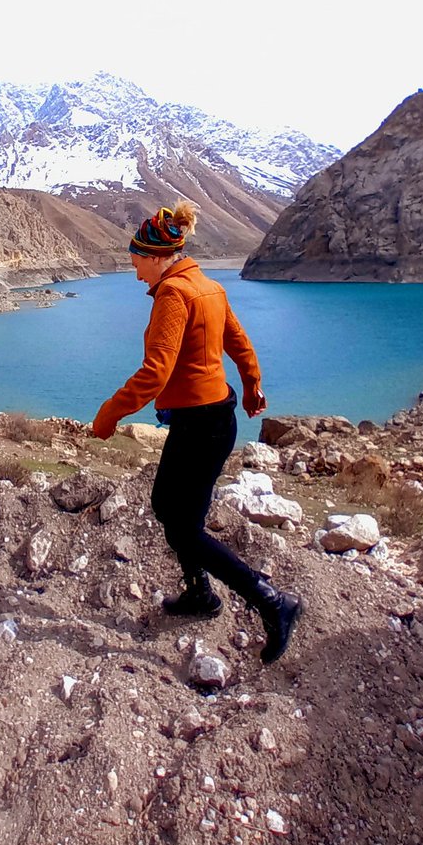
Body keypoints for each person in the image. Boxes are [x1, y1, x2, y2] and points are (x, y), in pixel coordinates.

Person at [92, 201, 303, 664]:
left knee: (179, 521)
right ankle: (199, 593)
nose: (135, 274)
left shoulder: (173, 295)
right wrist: (252, 387)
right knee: (175, 513)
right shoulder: (207, 286)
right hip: (217, 418)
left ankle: (272, 602)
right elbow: (240, 342)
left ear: (156, 256)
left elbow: (155, 371)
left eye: (136, 264)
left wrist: (110, 413)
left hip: (199, 424)